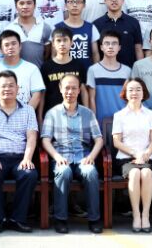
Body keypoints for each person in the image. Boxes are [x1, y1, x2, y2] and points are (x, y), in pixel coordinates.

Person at [42, 74, 104, 234]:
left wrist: (91, 157)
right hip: (61, 157)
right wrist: (56, 157)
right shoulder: (52, 113)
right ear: (60, 89)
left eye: (74, 88)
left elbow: (98, 140)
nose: (70, 92)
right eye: (67, 88)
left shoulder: (88, 113)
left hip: (83, 156)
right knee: (63, 172)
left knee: (90, 173)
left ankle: (94, 219)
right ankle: (60, 219)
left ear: (79, 90)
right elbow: (46, 140)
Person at [0, 70, 39, 233]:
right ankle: (0, 219)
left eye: (11, 86)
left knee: (29, 175)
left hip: (20, 157)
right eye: (3, 86)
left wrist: (27, 158)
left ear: (17, 88)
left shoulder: (28, 110)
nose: (7, 89)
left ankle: (17, 219)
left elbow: (31, 137)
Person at [112, 78, 152, 233]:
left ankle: (145, 215)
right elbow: (117, 142)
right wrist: (135, 153)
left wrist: (145, 154)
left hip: (147, 157)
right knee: (134, 173)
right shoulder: (119, 115)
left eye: (138, 89)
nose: (134, 93)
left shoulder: (151, 114)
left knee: (145, 173)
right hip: (126, 158)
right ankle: (136, 215)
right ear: (125, 93)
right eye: (131, 90)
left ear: (143, 93)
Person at [0, 30, 45, 109]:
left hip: (25, 115)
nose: (10, 47)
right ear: (0, 49)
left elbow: (36, 96)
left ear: (20, 46)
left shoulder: (32, 69)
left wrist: (26, 113)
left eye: (14, 44)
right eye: (6, 45)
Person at [40, 27, 88, 118]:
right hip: (52, 115)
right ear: (53, 43)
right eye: (58, 41)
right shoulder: (46, 67)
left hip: (76, 114)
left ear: (71, 43)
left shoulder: (79, 65)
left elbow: (83, 91)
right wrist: (40, 117)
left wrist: (87, 113)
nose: (62, 44)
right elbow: (42, 94)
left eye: (65, 40)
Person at [93, 0, 144, 68]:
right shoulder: (97, 24)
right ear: (105, 0)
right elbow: (95, 52)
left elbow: (138, 49)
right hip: (104, 71)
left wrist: (140, 71)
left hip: (129, 71)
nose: (114, 0)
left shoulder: (133, 22)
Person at [88, 30, 132, 124]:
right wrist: (94, 123)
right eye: (107, 43)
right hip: (100, 122)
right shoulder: (93, 70)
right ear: (101, 47)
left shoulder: (127, 71)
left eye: (114, 43)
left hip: (122, 123)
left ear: (119, 47)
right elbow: (91, 99)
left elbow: (129, 99)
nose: (110, 46)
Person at [4, 0, 52, 68]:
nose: (25, 7)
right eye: (21, 3)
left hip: (39, 72)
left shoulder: (45, 27)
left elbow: (48, 54)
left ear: (35, 5)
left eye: (29, 3)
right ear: (16, 6)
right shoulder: (9, 29)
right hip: (15, 73)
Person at [55, 0, 100, 72]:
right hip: (64, 74)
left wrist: (95, 74)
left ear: (84, 5)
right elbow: (54, 54)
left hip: (86, 74)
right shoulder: (57, 28)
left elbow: (95, 53)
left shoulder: (91, 27)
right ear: (65, 5)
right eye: (71, 2)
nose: (75, 5)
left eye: (78, 2)